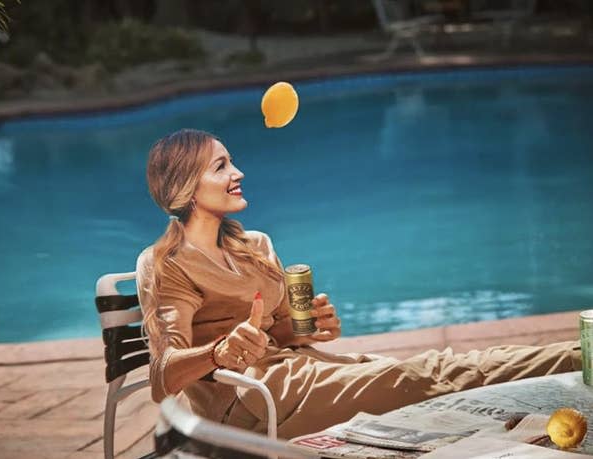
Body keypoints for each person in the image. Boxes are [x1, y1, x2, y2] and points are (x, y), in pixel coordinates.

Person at [135, 128, 582, 439]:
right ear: (189, 189)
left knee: (438, 372)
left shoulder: (254, 244)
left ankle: (579, 353)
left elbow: (274, 335)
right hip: (252, 403)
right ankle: (580, 352)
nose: (238, 172)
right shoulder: (167, 264)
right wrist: (218, 352)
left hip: (302, 370)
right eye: (221, 166)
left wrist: (302, 328)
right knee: (434, 376)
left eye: (232, 161)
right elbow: (162, 375)